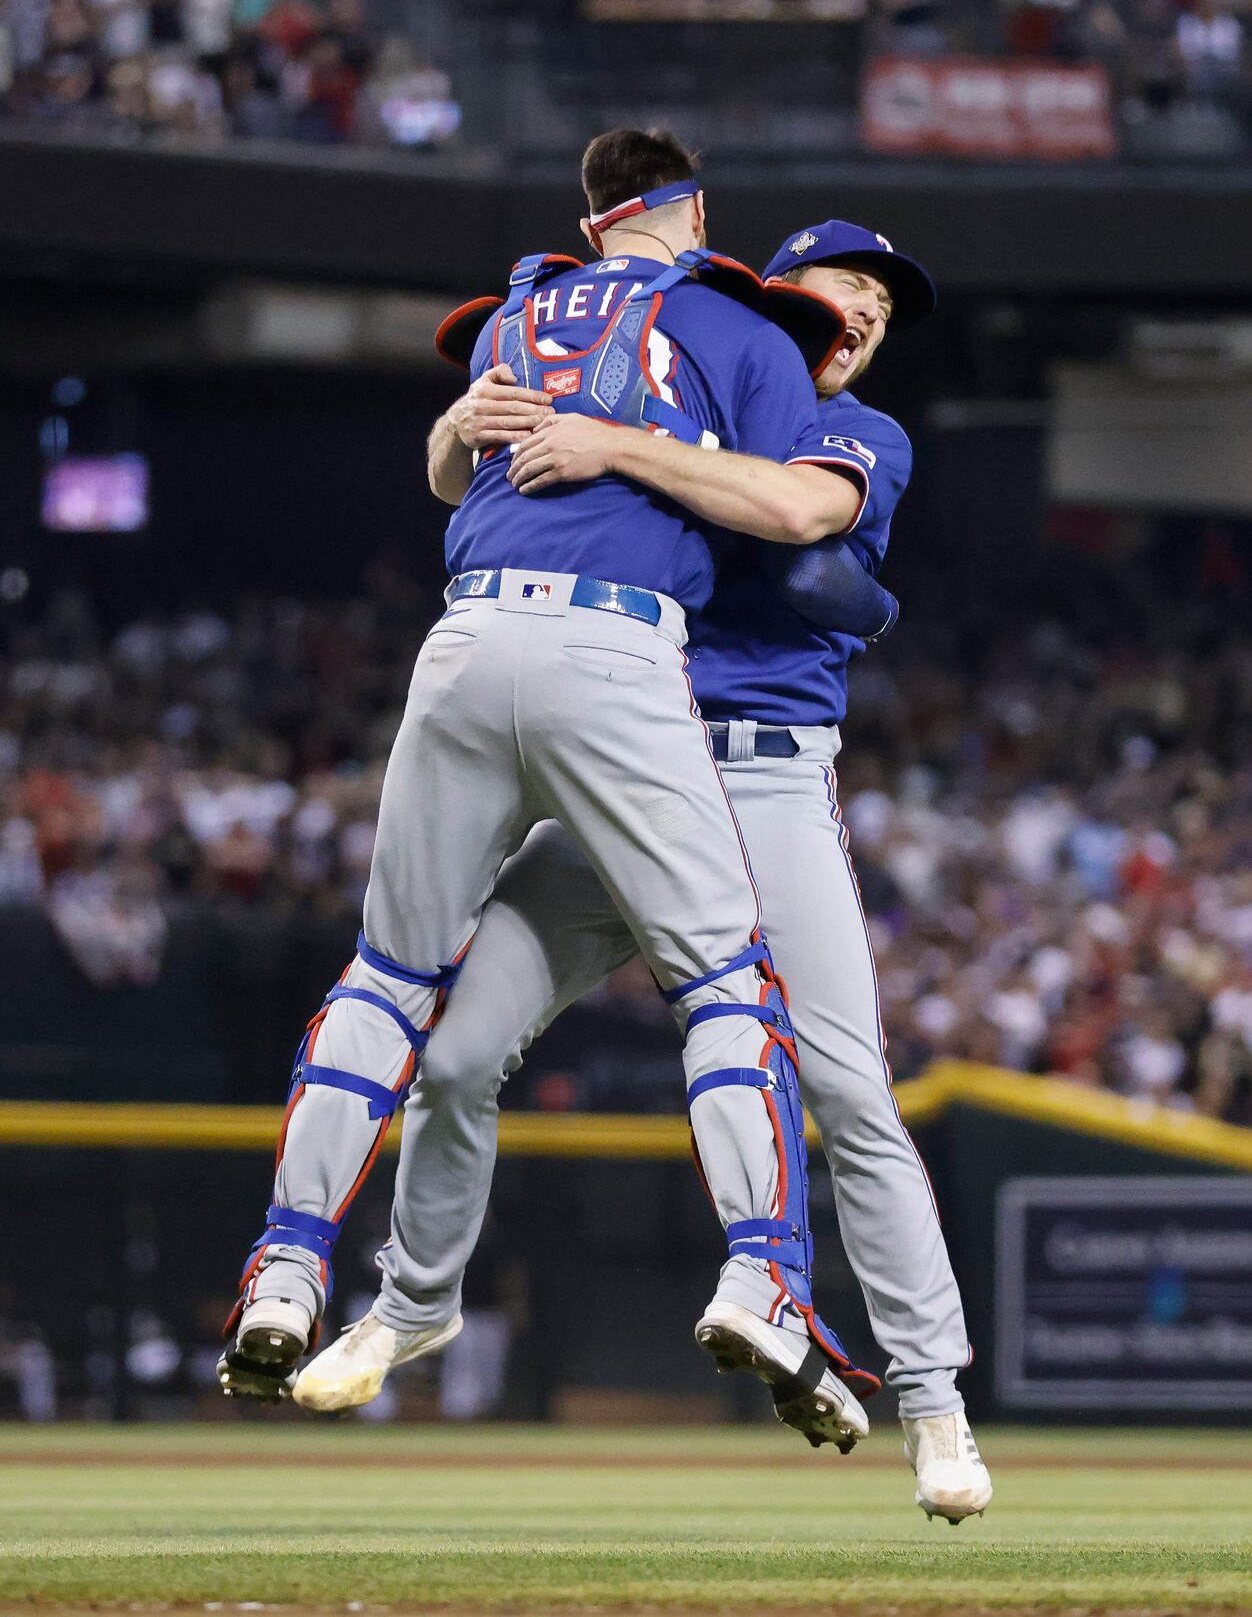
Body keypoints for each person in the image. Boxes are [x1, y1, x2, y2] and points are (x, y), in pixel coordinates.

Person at [296, 218, 993, 1526]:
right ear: (767, 301)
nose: (862, 318)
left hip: (763, 774)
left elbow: (798, 512)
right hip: (619, 766)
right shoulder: (661, 375)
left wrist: (624, 449)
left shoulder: (862, 436)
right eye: (844, 291)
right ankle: (408, 1308)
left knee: (847, 1087)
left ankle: (934, 1398)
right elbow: (476, 473)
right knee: (450, 1047)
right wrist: (472, 429)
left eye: (882, 314)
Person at [217, 128, 874, 1459]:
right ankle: (762, 1273)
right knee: (725, 985)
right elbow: (803, 514)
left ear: (589, 227)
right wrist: (635, 446)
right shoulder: (732, 325)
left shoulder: (511, 322)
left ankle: (284, 1267)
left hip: (460, 650)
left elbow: (452, 471)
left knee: (387, 978)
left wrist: (465, 423)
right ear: (690, 213)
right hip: (614, 651)